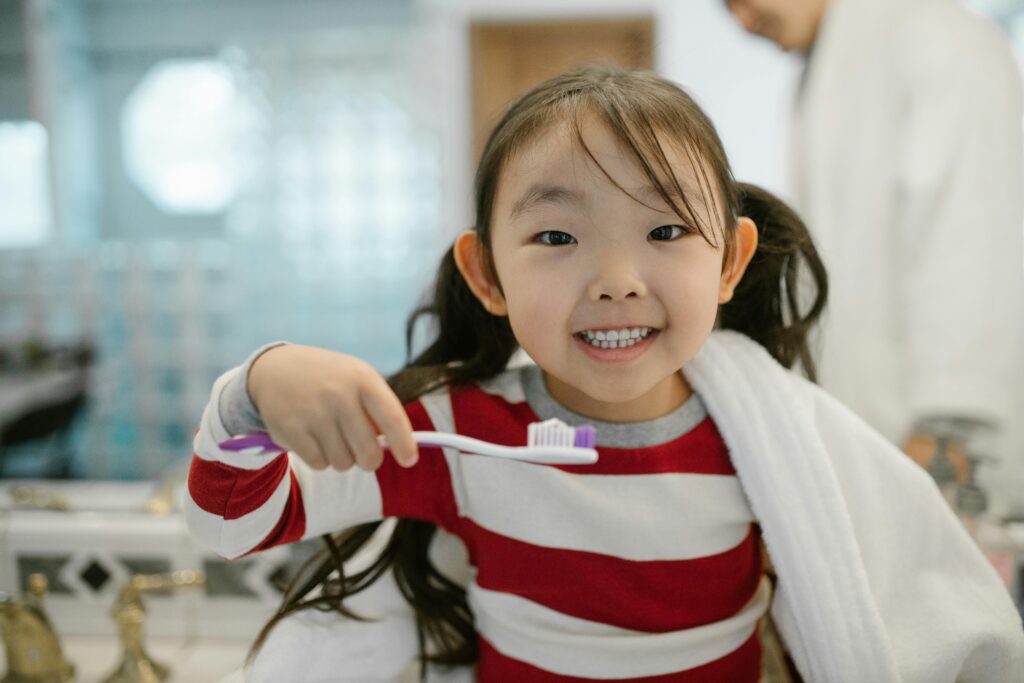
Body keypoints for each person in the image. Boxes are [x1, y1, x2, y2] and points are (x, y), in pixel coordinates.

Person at [185, 66, 1024, 681]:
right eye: (556, 237)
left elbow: (895, 594)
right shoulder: (455, 434)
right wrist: (255, 390)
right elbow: (232, 524)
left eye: (664, 232)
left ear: (729, 261)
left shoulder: (774, 438)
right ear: (487, 276)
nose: (617, 278)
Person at [723, 0, 1024, 507]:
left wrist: (947, 430)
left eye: (738, 0)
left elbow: (977, 254)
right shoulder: (830, 70)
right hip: (876, 461)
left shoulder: (942, 43)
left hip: (942, 459)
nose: (743, 21)